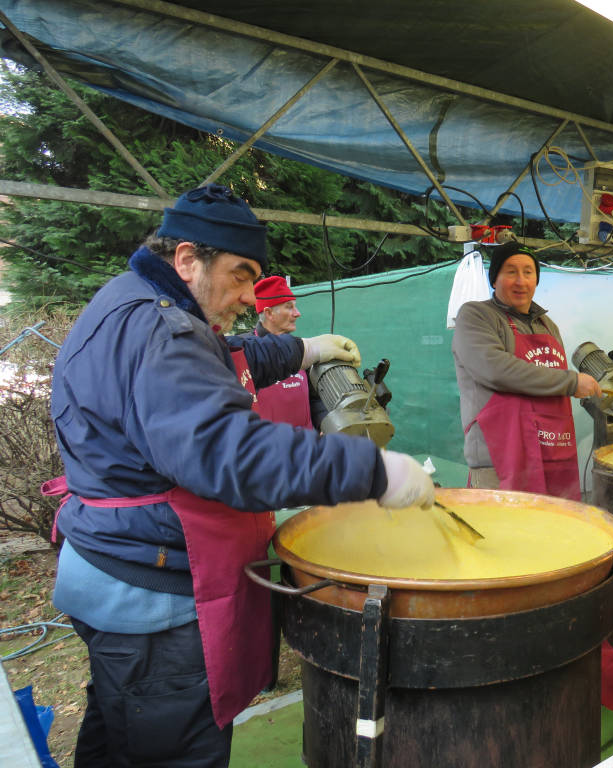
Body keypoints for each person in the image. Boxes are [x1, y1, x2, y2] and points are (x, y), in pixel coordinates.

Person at [46, 184, 434, 767]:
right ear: (186, 260)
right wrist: (375, 471)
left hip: (109, 571)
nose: (249, 296)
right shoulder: (159, 332)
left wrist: (303, 350)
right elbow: (232, 453)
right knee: (172, 753)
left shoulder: (138, 302)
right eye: (240, 275)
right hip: (151, 600)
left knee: (116, 735)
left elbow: (220, 357)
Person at [452, 241, 601, 500]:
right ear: (494, 279)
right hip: (499, 462)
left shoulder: (548, 325)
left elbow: (551, 388)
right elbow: (495, 369)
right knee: (504, 538)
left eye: (528, 272)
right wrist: (571, 382)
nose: (521, 280)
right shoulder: (476, 316)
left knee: (551, 535)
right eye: (511, 271)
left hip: (550, 455)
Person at [239, 275, 348, 430]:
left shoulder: (300, 349)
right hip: (268, 449)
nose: (297, 313)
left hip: (308, 448)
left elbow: (315, 399)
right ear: (269, 313)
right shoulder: (245, 353)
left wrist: (324, 424)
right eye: (289, 307)